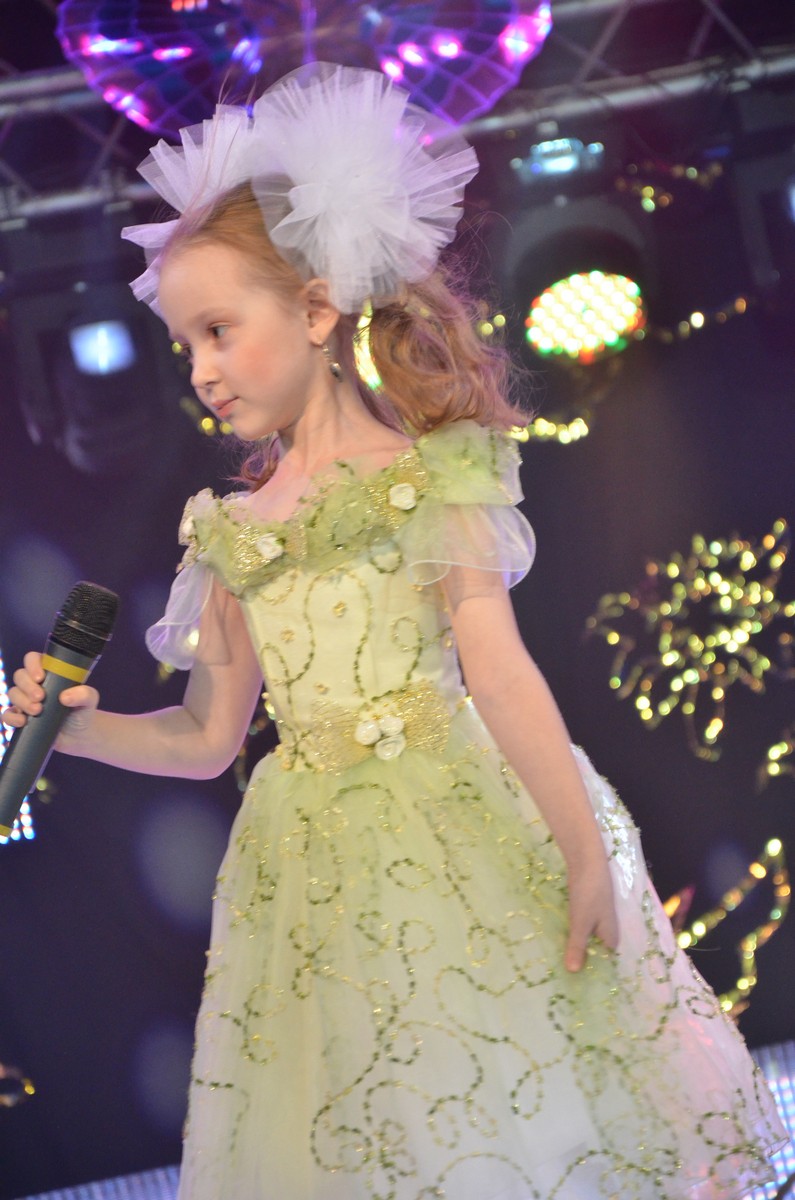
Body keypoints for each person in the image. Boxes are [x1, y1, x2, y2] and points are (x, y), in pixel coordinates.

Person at [4, 64, 786, 1200]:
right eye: (185, 347)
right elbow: (209, 736)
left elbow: (500, 672)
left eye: (218, 331)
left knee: (516, 1105)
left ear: (316, 311)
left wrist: (580, 852)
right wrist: (76, 731)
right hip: (311, 879)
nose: (203, 370)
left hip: (460, 825)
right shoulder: (227, 531)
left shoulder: (432, 477)